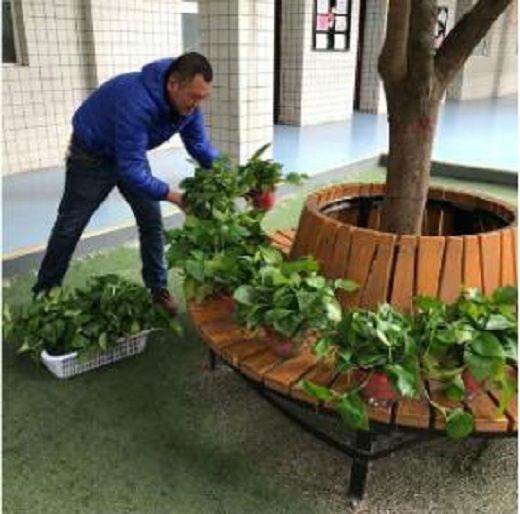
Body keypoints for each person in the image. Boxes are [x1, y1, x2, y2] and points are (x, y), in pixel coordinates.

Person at [32, 52, 219, 315]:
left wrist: (232, 176)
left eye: (202, 98)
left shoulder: (188, 106)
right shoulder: (137, 101)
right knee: (70, 226)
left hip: (130, 153)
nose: (197, 105)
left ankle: (158, 289)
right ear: (173, 85)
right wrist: (175, 197)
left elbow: (199, 146)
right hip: (92, 157)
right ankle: (44, 294)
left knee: (151, 222)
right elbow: (132, 171)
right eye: (193, 96)